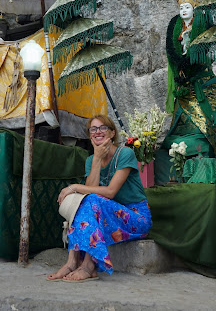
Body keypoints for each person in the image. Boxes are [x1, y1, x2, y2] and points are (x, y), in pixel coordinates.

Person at [47, 115, 152, 282]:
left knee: (91, 200)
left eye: (103, 128)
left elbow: (110, 192)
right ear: (90, 135)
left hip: (135, 217)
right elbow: (89, 193)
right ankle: (72, 261)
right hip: (108, 214)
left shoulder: (125, 153)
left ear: (112, 133)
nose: (98, 132)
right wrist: (96, 159)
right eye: (93, 129)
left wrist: (74, 187)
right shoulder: (91, 160)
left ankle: (88, 265)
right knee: (87, 201)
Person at [155, 0, 216, 183]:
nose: (183, 10)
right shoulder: (177, 31)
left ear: (195, 9)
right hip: (184, 88)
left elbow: (201, 52)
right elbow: (175, 54)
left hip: (201, 85)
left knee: (211, 124)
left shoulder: (201, 28)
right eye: (181, 7)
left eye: (187, 7)